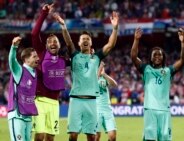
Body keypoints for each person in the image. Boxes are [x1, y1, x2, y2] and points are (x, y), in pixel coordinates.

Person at [54, 11, 119, 141]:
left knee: (91, 136)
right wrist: (63, 26)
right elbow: (68, 42)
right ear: (79, 43)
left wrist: (115, 28)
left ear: (91, 43)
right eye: (83, 39)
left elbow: (110, 45)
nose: (85, 40)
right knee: (73, 135)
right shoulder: (75, 55)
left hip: (92, 101)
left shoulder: (96, 57)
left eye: (87, 39)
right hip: (76, 100)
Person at [130, 28, 184, 141]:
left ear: (163, 57)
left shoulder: (168, 70)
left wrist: (183, 42)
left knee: (165, 139)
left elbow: (183, 60)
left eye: (159, 55)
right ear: (150, 57)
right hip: (150, 109)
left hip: (164, 110)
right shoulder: (145, 69)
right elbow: (133, 57)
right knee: (150, 139)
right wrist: (136, 40)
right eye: (154, 55)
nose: (157, 56)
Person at [31, 3, 69, 141]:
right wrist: (44, 13)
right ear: (46, 45)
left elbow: (76, 55)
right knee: (39, 136)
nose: (53, 43)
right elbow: (34, 34)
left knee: (51, 137)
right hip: (39, 101)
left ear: (59, 45)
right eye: (50, 41)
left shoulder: (63, 60)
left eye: (55, 41)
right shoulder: (41, 53)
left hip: (55, 103)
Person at [7, 36, 40, 141]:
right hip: (17, 115)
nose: (37, 59)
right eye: (34, 57)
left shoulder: (34, 73)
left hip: (28, 116)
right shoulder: (19, 71)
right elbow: (12, 61)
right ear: (26, 59)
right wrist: (14, 46)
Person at [96, 61, 117, 141]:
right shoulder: (91, 77)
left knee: (112, 137)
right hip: (96, 109)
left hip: (107, 110)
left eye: (102, 67)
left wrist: (104, 75)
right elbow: (93, 83)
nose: (101, 68)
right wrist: (100, 67)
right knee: (96, 137)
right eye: (100, 67)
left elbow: (115, 85)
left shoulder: (104, 78)